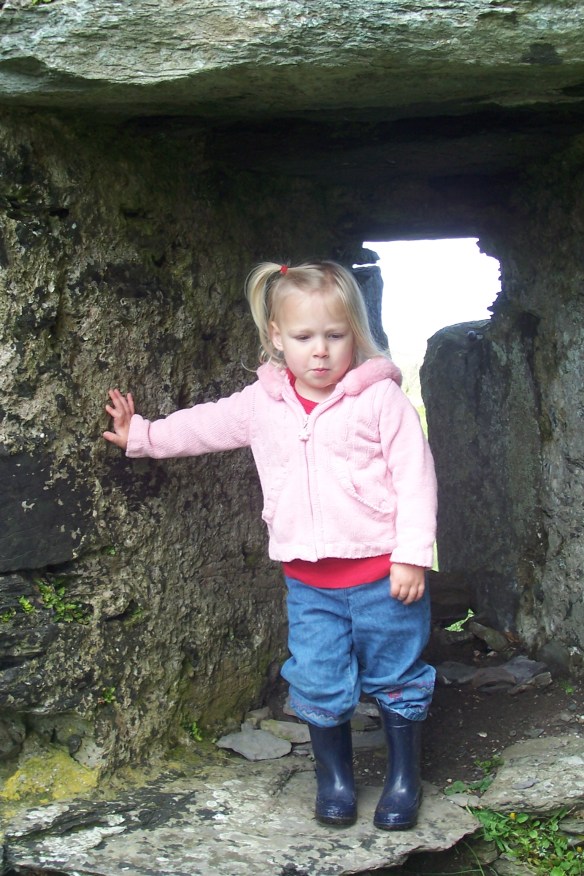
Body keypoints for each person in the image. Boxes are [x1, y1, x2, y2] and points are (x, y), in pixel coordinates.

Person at [103, 260, 437, 831]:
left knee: (397, 674)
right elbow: (207, 425)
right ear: (277, 337)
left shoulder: (380, 399)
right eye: (304, 337)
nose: (320, 351)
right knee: (318, 676)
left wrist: (411, 555)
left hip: (385, 577)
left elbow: (415, 476)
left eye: (335, 335)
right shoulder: (264, 403)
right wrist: (146, 435)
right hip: (310, 586)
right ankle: (335, 779)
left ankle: (404, 779)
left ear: (354, 334)